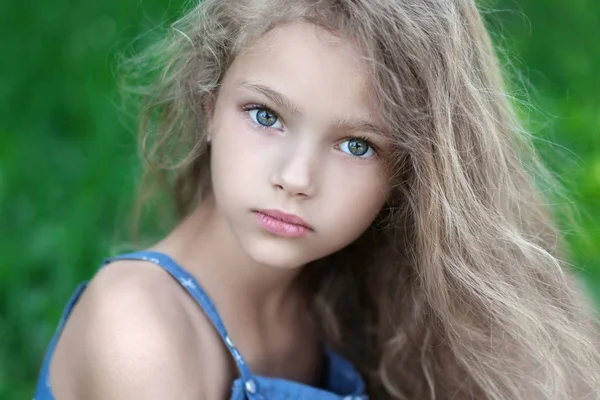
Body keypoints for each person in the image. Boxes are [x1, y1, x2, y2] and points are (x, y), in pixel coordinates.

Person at [34, 0, 600, 399]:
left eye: (356, 145)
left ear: (410, 173)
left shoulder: (348, 297)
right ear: (209, 108)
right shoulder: (140, 333)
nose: (297, 178)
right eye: (266, 116)